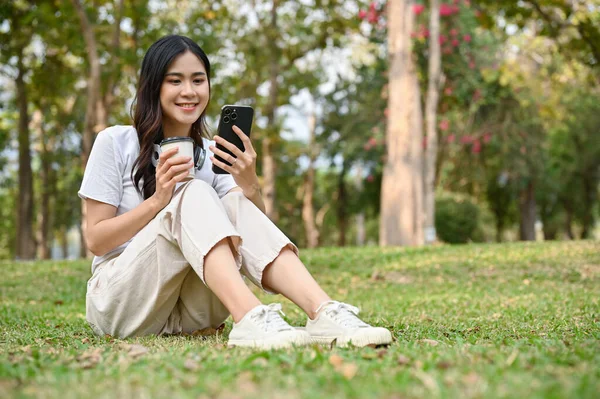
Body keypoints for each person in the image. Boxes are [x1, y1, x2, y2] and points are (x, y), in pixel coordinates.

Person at [78, 34, 392, 349]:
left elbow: (253, 232)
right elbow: (96, 240)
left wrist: (249, 183)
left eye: (198, 80)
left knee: (233, 199)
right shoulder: (115, 142)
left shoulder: (215, 154)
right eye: (175, 81)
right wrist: (160, 201)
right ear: (154, 87)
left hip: (192, 313)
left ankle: (323, 311)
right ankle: (250, 317)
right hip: (122, 305)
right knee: (194, 192)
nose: (189, 91)